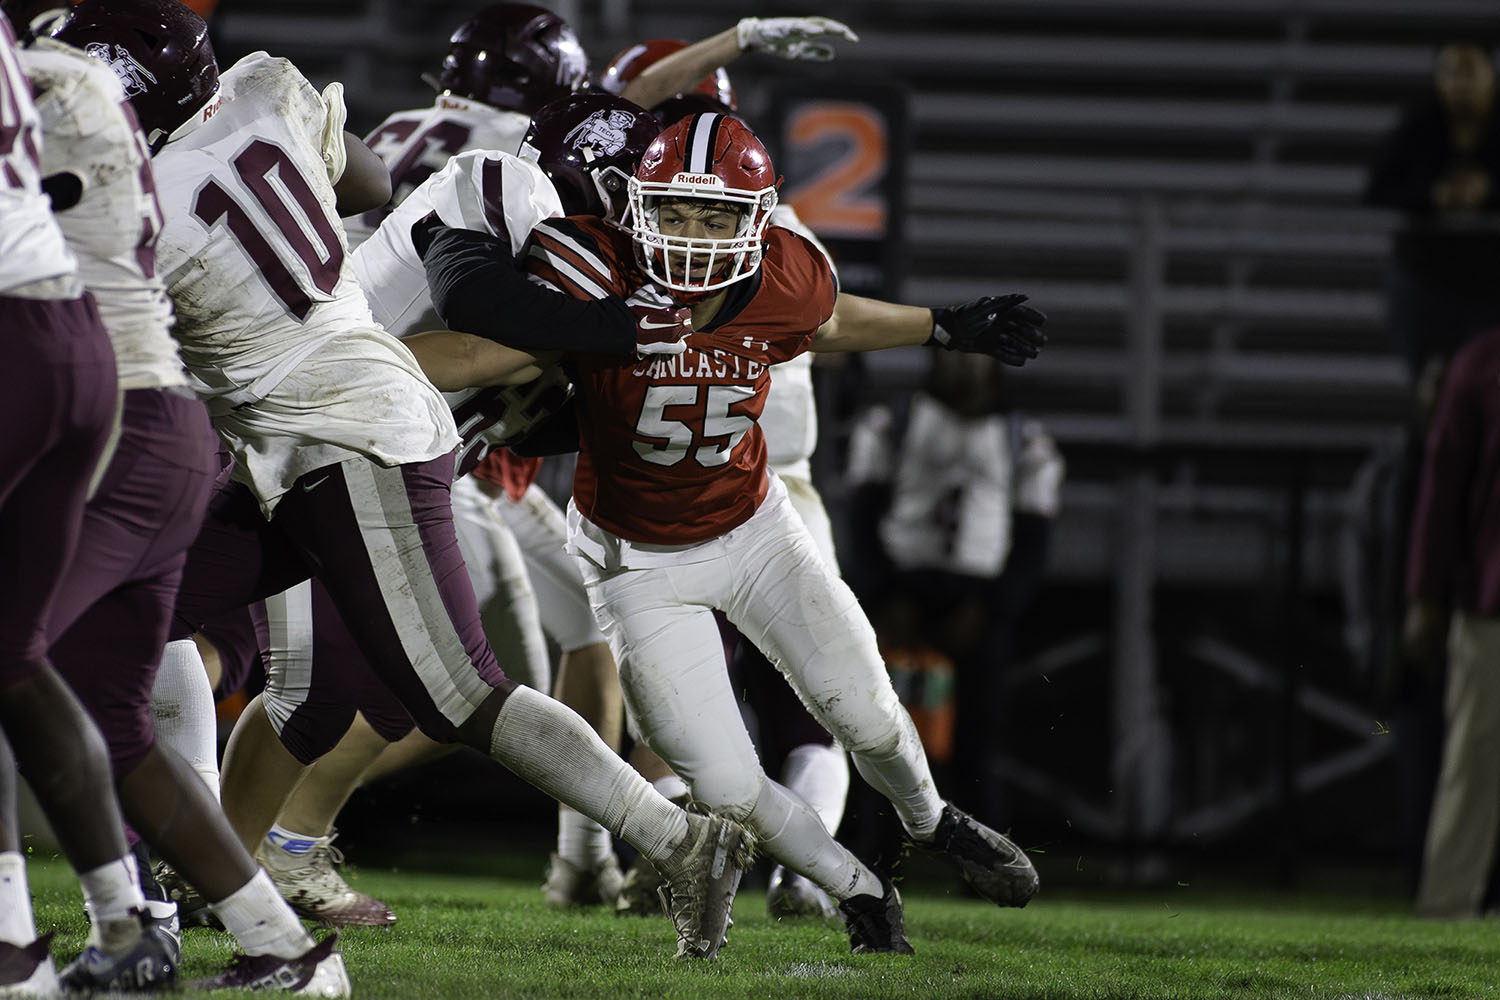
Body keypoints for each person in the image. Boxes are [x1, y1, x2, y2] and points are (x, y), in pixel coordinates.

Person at [56, 0, 750, 961]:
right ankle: (186, 878)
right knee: (138, 609)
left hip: (350, 433)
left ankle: (684, 840)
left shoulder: (135, 204)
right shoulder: (264, 89)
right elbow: (371, 181)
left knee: (457, 693)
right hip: (306, 425)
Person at [436, 110, 1049, 953]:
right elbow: (485, 338)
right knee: (724, 784)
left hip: (756, 530)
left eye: (715, 217)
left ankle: (933, 821)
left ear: (757, 220)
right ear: (636, 207)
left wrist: (936, 324)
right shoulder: (588, 265)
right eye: (675, 214)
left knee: (865, 711)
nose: (691, 238)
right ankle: (858, 890)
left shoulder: (788, 274)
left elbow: (826, 324)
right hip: (637, 562)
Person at [18, 4, 358, 992]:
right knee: (129, 694)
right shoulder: (240, 124)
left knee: (24, 657)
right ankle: (243, 939)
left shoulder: (106, 174)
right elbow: (362, 177)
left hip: (130, 434)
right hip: (190, 438)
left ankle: (42, 938)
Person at [0, 13, 168, 995]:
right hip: (77, 335)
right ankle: (125, 922)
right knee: (12, 655)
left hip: (12, 339)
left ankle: (14, 951)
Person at [844, 350, 1063, 853]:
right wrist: (882, 595)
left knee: (979, 738)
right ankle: (872, 853)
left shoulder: (1026, 441)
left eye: (979, 356)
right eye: (956, 353)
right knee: (878, 731)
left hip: (979, 600)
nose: (966, 366)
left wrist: (993, 606)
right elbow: (860, 518)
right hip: (901, 592)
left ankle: (983, 861)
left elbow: (1033, 541)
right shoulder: (890, 424)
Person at [1402, 324, 1500, 919]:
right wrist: (1425, 593)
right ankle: (1448, 903)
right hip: (1491, 600)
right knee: (1474, 757)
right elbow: (1442, 486)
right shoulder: (1481, 364)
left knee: (1475, 757)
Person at [1364, 40, 1500, 379]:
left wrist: (1488, 190)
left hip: (1490, 279)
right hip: (1426, 276)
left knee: (1485, 377)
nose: (1459, 84)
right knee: (1428, 379)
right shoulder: (1420, 122)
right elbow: (1377, 188)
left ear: (1492, 75)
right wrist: (1431, 196)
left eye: (1468, 72)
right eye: (1450, 73)